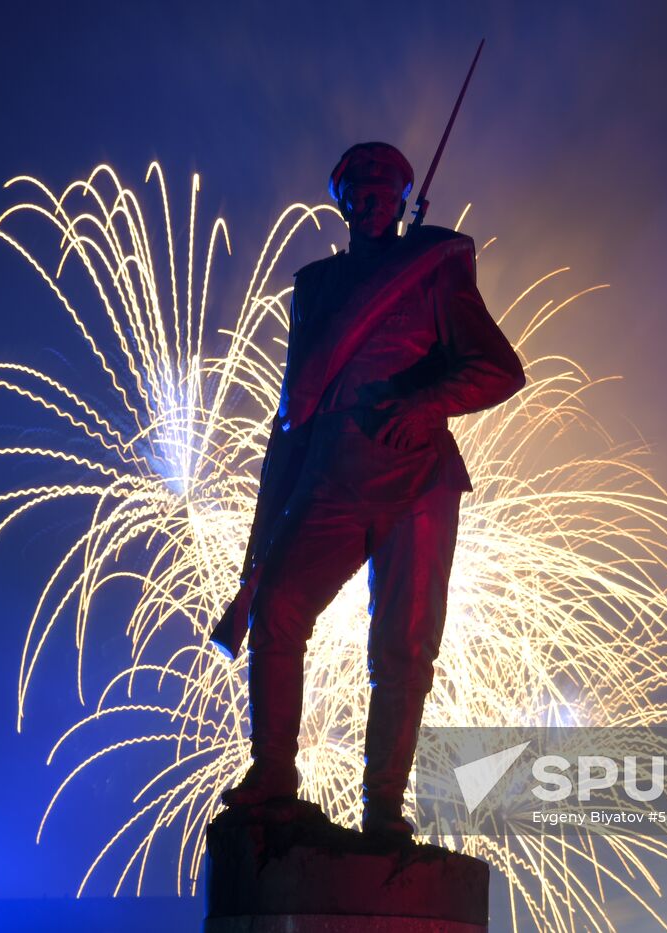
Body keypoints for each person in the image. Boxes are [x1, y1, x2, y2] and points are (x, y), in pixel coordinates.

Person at [218, 141, 526, 841]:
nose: (373, 196)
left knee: (404, 647)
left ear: (402, 198)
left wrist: (424, 404)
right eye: (360, 186)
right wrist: (259, 542)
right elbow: (294, 410)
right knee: (278, 605)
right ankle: (273, 772)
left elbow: (499, 368)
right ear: (345, 201)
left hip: (417, 478)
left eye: (385, 186)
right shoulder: (317, 286)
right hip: (333, 473)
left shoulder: (433, 269)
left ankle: (383, 803)